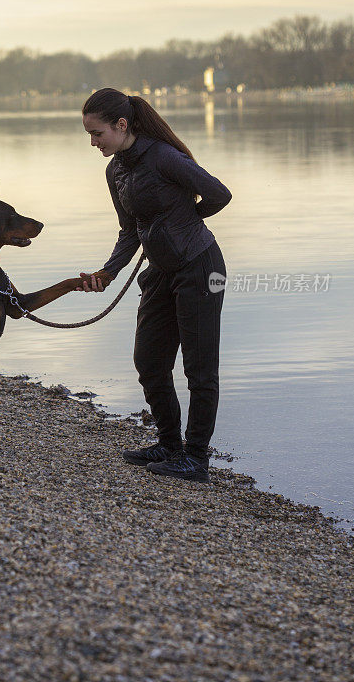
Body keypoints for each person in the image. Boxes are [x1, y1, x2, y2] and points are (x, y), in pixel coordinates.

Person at [78, 88, 232, 483]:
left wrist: (182, 220)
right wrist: (108, 272)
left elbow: (218, 193)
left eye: (97, 134)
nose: (93, 143)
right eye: (90, 135)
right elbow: (130, 231)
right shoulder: (115, 171)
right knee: (149, 361)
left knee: (199, 370)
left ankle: (196, 459)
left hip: (199, 266)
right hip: (162, 272)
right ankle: (169, 445)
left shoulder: (164, 157)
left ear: (121, 125)